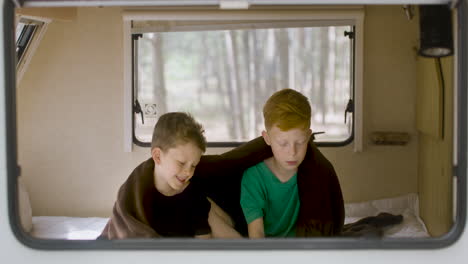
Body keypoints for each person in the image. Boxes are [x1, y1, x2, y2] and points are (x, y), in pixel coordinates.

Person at [100, 112, 241, 239]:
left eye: (193, 165)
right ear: (157, 156)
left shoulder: (193, 196)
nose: (188, 172)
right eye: (181, 163)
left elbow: (204, 243)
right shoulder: (139, 192)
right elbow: (125, 222)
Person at [240, 88, 312, 238]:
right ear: (267, 138)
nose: (292, 152)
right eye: (283, 143)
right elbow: (256, 234)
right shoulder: (253, 177)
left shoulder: (315, 172)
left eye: (300, 142)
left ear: (309, 136)